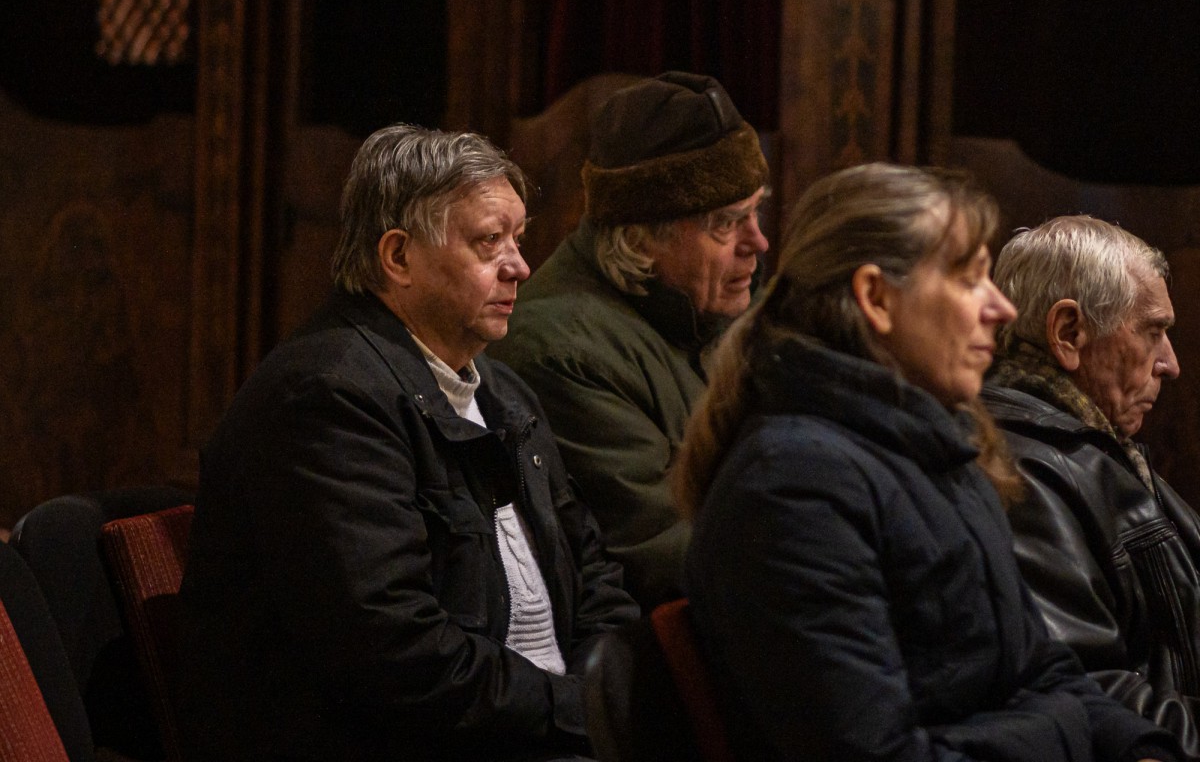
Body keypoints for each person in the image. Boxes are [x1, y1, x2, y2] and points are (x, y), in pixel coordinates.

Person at [677, 162, 1181, 761]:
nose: (1001, 308)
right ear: (877, 298)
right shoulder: (792, 488)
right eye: (969, 279)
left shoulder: (944, 451)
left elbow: (1047, 673)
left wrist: (1143, 749)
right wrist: (1055, 731)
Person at [175, 124, 639, 762]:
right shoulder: (328, 400)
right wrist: (585, 712)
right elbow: (397, 652)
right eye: (489, 241)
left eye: (518, 238)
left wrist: (613, 701)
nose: (520, 266)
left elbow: (594, 574)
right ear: (398, 258)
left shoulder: (503, 393)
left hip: (535, 729)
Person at [490, 71, 770, 610]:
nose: (757, 241)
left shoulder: (728, 303)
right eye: (726, 223)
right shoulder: (561, 352)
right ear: (642, 235)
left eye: (756, 211)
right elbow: (667, 551)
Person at [981, 215, 1200, 759]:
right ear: (1068, 333)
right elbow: (1088, 694)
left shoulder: (1094, 448)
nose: (1171, 364)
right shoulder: (1024, 472)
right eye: (1152, 330)